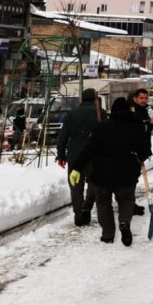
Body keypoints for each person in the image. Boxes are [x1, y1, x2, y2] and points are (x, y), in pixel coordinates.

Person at [70, 97, 151, 247]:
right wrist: (140, 155)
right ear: (128, 110)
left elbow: (89, 149)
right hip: (126, 174)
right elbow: (144, 151)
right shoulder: (137, 127)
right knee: (126, 200)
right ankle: (124, 223)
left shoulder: (102, 127)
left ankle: (107, 234)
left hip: (102, 174)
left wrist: (76, 167)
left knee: (103, 204)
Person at [56, 88, 104, 226]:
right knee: (94, 185)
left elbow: (63, 137)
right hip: (95, 156)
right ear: (95, 100)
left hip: (74, 157)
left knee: (75, 187)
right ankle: (86, 208)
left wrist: (61, 156)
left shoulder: (72, 114)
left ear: (82, 99)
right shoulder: (101, 114)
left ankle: (79, 216)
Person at [128, 88, 153, 217]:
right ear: (135, 99)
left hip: (141, 150)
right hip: (134, 151)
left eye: (145, 98)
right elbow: (137, 131)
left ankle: (130, 203)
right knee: (131, 179)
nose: (144, 100)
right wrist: (150, 126)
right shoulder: (132, 112)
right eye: (141, 98)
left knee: (134, 178)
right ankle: (129, 205)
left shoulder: (143, 110)